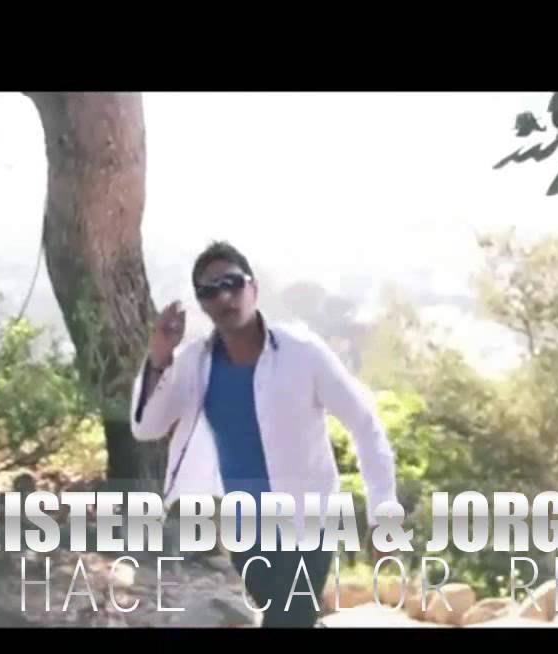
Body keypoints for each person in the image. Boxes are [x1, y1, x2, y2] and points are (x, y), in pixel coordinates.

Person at [130, 241, 399, 627]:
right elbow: (146, 427)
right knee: (284, 614)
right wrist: (159, 357)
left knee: (289, 617)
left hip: (309, 523)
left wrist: (383, 516)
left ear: (253, 287)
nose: (224, 296)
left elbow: (365, 426)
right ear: (202, 304)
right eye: (210, 290)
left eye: (232, 283)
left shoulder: (303, 352)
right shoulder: (195, 363)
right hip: (245, 531)